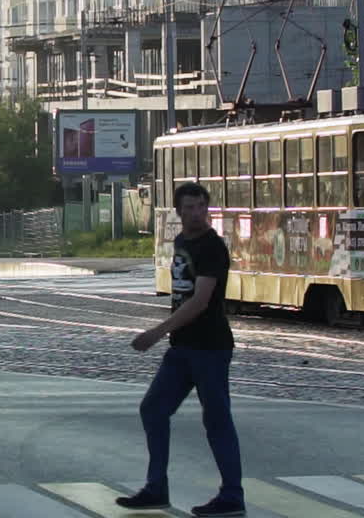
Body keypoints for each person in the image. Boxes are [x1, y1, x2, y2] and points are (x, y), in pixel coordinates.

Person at [117, 181, 245, 517]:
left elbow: (200, 301)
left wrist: (157, 332)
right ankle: (156, 488)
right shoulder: (182, 242)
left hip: (210, 346)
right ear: (178, 211)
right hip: (183, 347)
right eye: (189, 208)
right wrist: (169, 334)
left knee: (217, 420)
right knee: (153, 409)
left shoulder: (212, 247)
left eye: (201, 207)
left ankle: (233, 495)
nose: (196, 213)